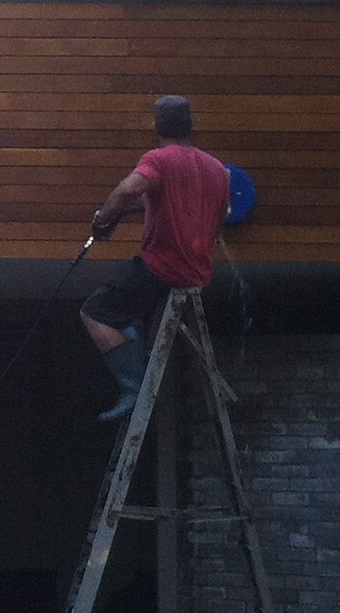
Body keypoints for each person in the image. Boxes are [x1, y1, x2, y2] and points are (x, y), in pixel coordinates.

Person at [81, 94, 232, 421]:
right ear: (192, 126)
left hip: (161, 267)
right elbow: (217, 221)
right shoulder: (218, 170)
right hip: (197, 273)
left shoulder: (159, 160)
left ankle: (134, 388)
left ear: (156, 126)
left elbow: (128, 190)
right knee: (127, 309)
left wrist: (103, 220)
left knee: (95, 312)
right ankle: (133, 346)